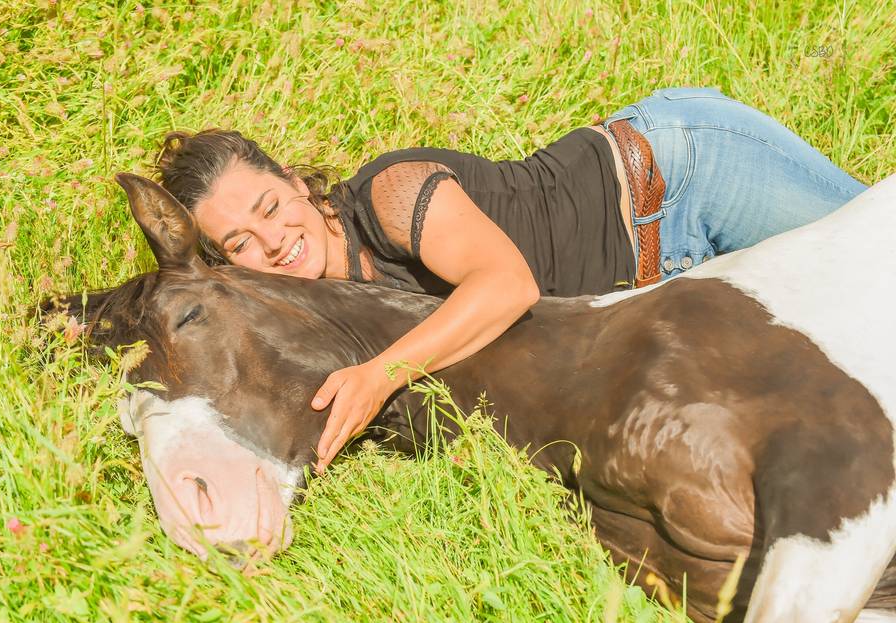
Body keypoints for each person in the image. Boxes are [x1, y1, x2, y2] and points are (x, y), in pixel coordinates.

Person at [153, 86, 867, 471]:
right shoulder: (322, 312)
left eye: (272, 207)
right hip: (671, 292)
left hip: (681, 179)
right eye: (241, 242)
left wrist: (380, 375)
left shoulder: (391, 196)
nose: (274, 242)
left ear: (294, 184)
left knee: (879, 266)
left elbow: (507, 286)